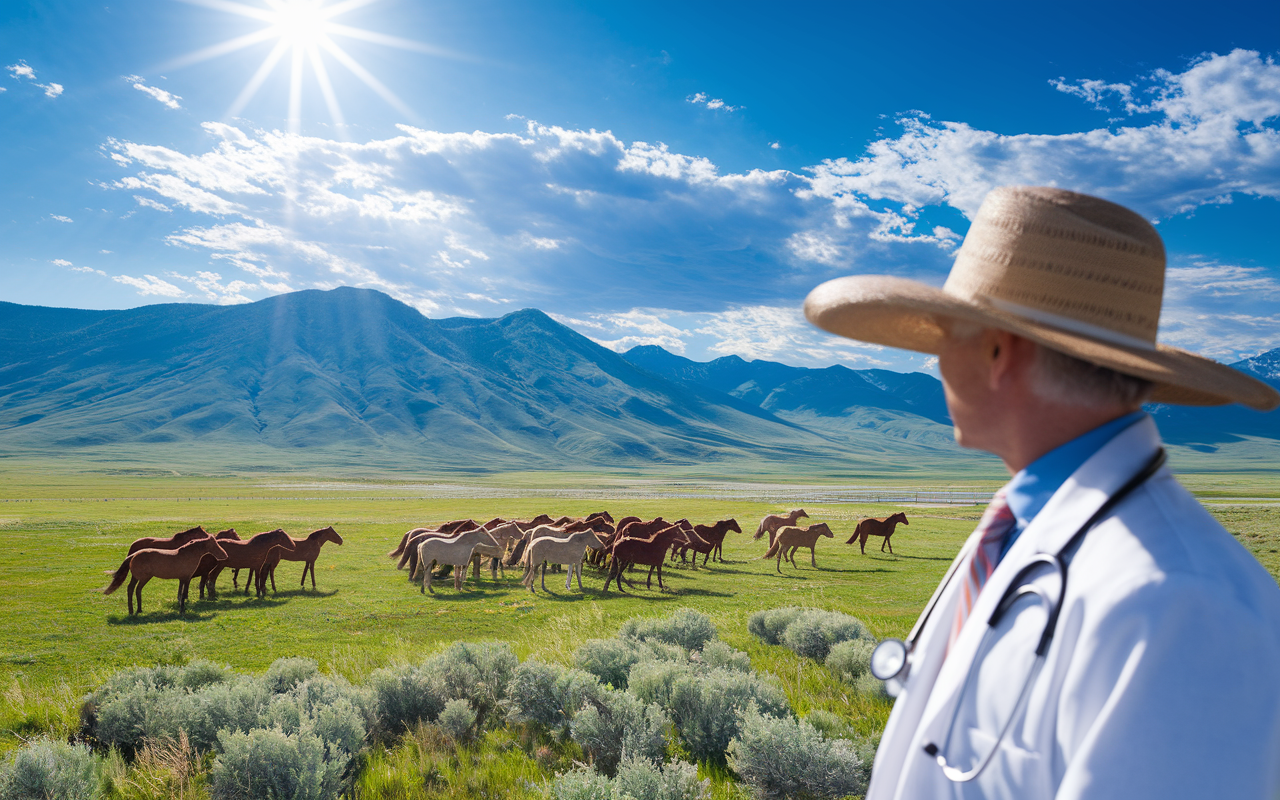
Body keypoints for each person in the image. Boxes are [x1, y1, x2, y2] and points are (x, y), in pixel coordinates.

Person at [803, 186, 1280, 799]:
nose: (936, 363)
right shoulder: (1026, 527)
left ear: (1001, 350)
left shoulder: (1181, 607)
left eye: (948, 335)